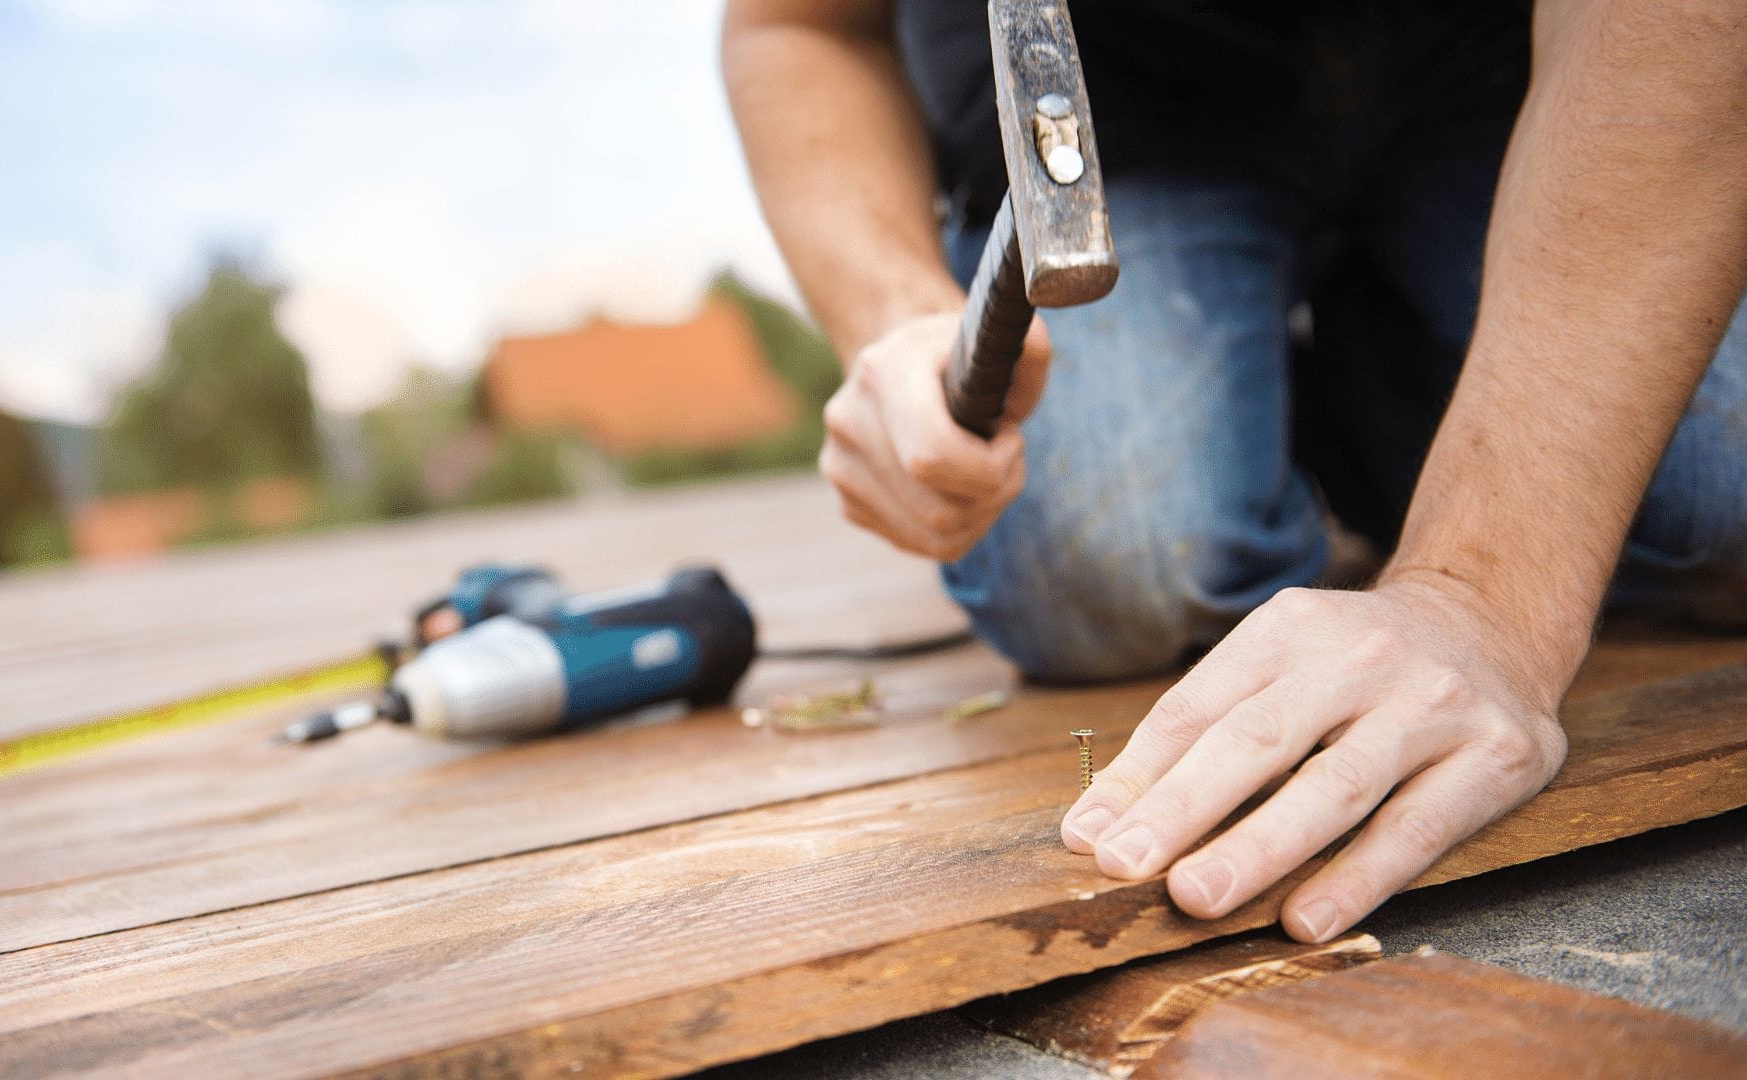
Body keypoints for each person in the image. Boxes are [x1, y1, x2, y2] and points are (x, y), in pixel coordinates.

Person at [721, 0, 1747, 942]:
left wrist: (1487, 593)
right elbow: (800, 26)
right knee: (1111, 567)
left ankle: (1371, 377)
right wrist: (899, 319)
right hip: (1138, 102)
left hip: (1507, 64)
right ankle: (1311, 401)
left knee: (1727, 495)